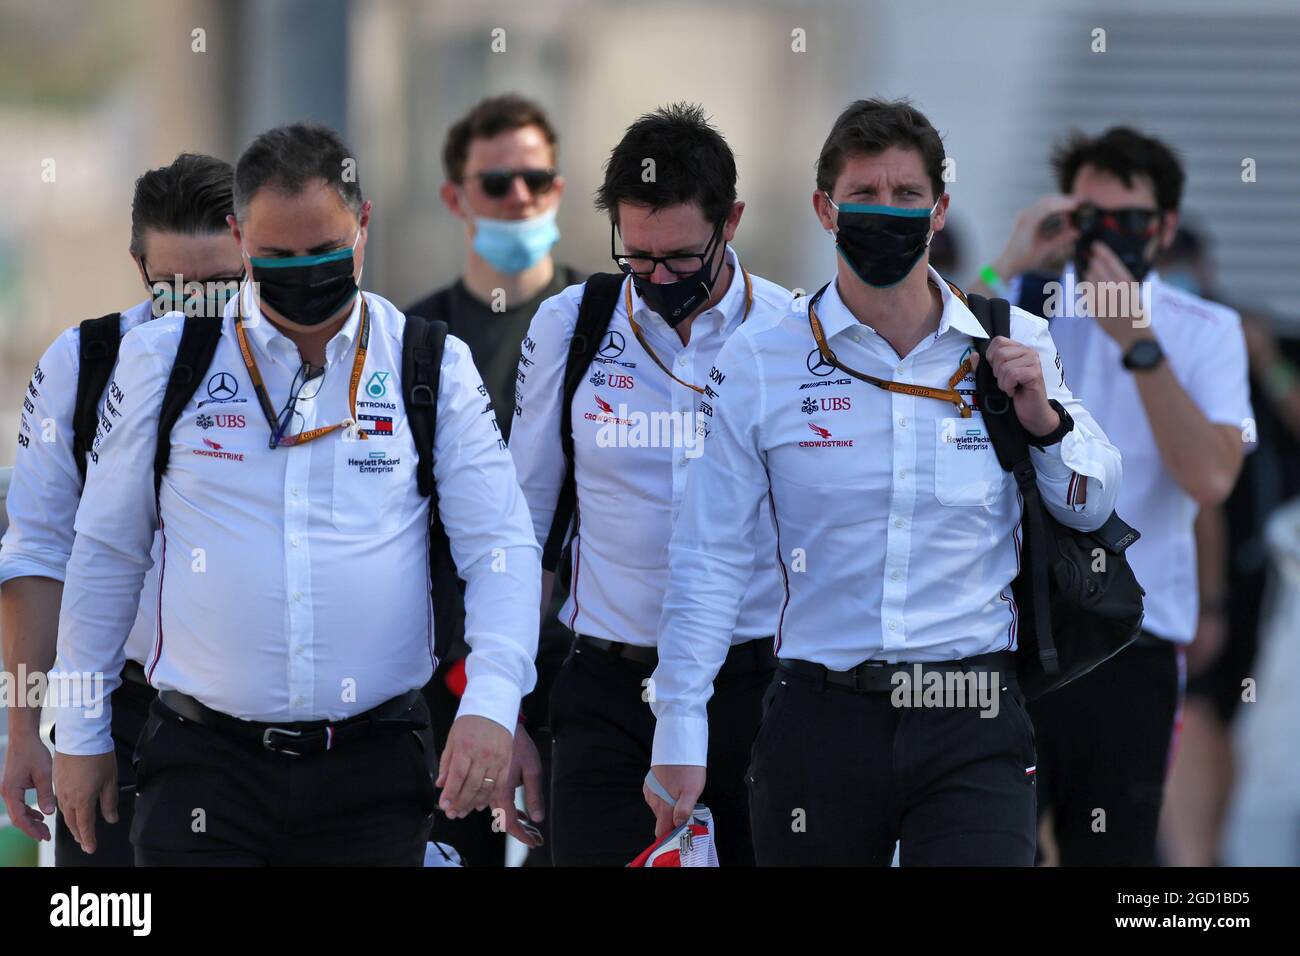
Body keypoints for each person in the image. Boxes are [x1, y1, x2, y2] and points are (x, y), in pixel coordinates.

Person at [48, 122, 542, 866]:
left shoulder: (430, 365)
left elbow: (501, 549)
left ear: (364, 224)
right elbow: (107, 552)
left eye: (326, 250)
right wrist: (81, 731)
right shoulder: (164, 359)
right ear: (238, 235)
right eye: (277, 256)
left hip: (373, 769)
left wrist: (493, 703)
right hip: (206, 766)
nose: (306, 273)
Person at [646, 98, 1121, 866]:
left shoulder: (1013, 340)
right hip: (822, 712)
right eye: (864, 194)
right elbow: (707, 560)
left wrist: (1044, 422)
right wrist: (678, 729)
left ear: (939, 211)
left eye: (907, 196)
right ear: (824, 209)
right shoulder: (762, 359)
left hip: (970, 710)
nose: (887, 211)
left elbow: (1091, 501)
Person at [509, 103, 789, 866]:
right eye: (638, 258)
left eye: (680, 259)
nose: (658, 279)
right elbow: (521, 525)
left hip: (757, 691)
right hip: (607, 691)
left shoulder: (793, 333)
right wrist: (501, 708)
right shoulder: (572, 323)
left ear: (729, 221)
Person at [971, 127, 1252, 865]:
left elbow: (1212, 478)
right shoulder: (1026, 305)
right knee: (990, 845)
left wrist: (1139, 344)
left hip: (1136, 636)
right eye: (1087, 220)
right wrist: (1012, 257)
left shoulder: (1205, 329)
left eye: (1126, 224)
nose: (1105, 244)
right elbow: (933, 349)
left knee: (1117, 857)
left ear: (1161, 229)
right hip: (1015, 633)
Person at [0, 153, 242, 866]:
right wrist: (23, 732)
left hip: (275, 721)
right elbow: (39, 554)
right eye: (176, 291)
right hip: (119, 710)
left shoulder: (312, 359)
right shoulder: (83, 363)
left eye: (224, 287)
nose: (199, 312)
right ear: (139, 268)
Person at [405, 94, 582, 866]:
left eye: (535, 179)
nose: (519, 197)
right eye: (497, 181)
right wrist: (479, 684)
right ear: (455, 197)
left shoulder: (605, 322)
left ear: (560, 188)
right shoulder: (414, 344)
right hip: (452, 671)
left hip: (588, 673)